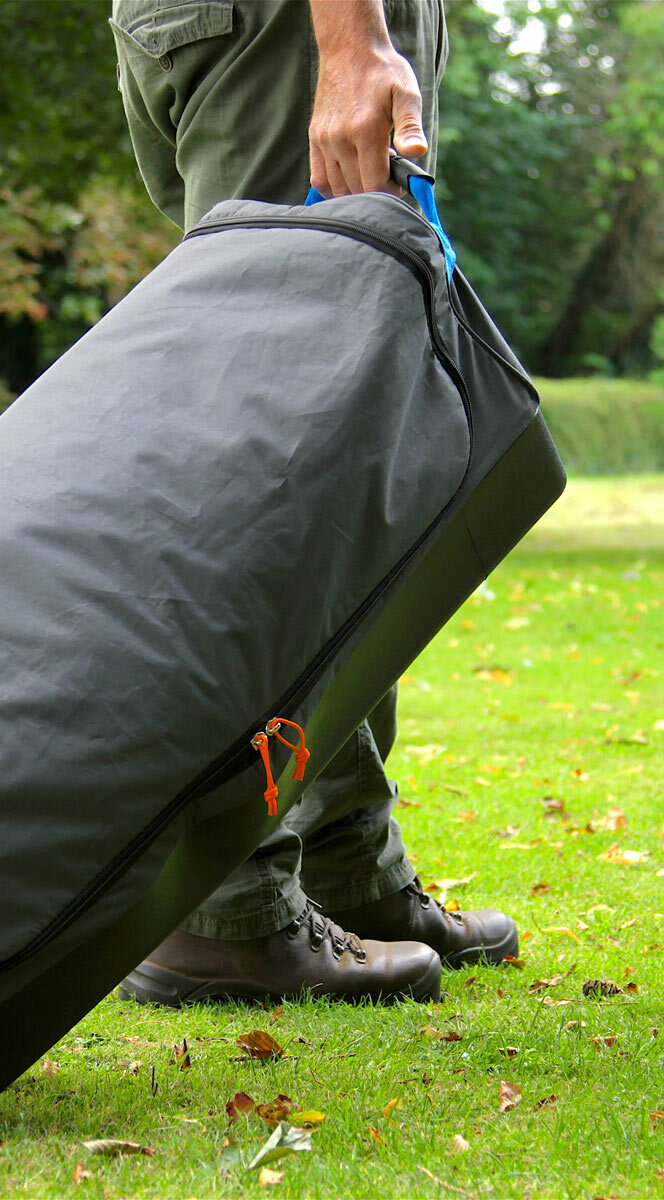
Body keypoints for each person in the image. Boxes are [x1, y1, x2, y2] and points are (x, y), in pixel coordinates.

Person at [109, 0, 519, 1007]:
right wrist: (352, 42)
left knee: (339, 446)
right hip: (292, 28)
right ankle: (223, 911)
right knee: (270, 461)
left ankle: (346, 868)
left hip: (272, 26)